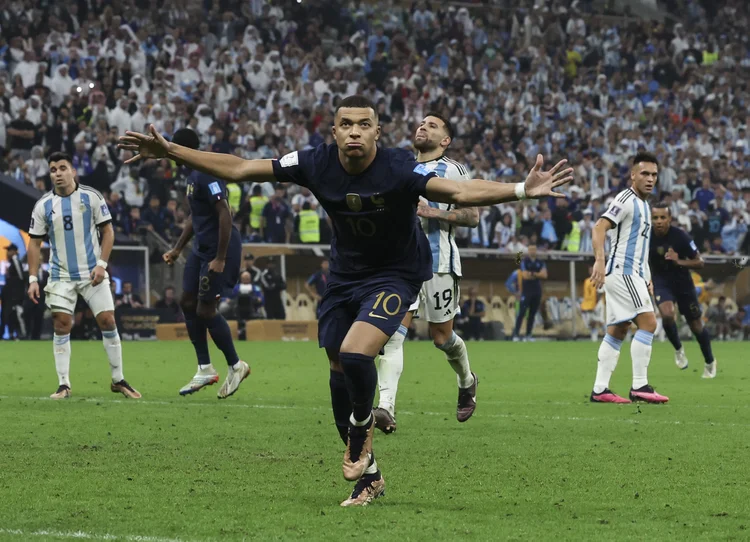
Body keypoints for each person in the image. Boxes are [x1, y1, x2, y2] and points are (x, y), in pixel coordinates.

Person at [118, 95, 572, 507]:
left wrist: (519, 190)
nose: (354, 131)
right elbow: (240, 168)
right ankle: (369, 477)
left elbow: (458, 193)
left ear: (378, 132)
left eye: (364, 124)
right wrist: (172, 150)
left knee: (358, 355)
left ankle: (360, 432)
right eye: (346, 124)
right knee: (337, 367)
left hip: (396, 274)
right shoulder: (314, 162)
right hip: (344, 277)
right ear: (333, 132)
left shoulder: (399, 168)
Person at [374, 114, 480, 434]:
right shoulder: (401, 166)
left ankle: (467, 380)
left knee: (441, 337)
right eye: (422, 124)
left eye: (433, 126)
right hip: (401, 265)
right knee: (392, 334)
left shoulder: (453, 170)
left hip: (438, 262)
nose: (423, 127)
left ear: (445, 140)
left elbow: (473, 216)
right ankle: (386, 408)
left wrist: (434, 212)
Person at [26, 152, 141, 399]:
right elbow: (34, 244)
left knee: (108, 321)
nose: (57, 173)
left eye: (62, 168)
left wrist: (101, 264)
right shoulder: (43, 205)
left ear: (73, 171)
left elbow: (108, 232)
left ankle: (118, 379)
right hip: (61, 275)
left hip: (92, 273)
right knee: (61, 324)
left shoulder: (91, 197)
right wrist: (33, 279)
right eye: (53, 169)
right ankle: (64, 384)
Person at [160, 128, 249, 399]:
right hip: (200, 249)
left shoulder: (206, 171)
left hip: (218, 250)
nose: (170, 152)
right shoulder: (192, 175)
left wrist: (220, 257)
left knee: (206, 309)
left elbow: (225, 213)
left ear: (183, 148)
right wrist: (177, 248)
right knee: (187, 303)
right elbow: (196, 217)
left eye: (173, 146)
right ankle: (204, 368)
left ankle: (236, 365)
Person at [589, 152, 668, 404]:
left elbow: (638, 246)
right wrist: (599, 261)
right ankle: (639, 386)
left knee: (618, 329)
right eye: (644, 173)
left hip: (633, 273)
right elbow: (599, 226)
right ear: (632, 175)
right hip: (623, 272)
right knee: (648, 323)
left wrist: (647, 276)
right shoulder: (625, 198)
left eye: (654, 175)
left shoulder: (645, 206)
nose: (650, 179)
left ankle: (600, 390)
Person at [650, 202, 717, 378]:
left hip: (683, 283)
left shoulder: (680, 236)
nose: (659, 221)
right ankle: (679, 349)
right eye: (655, 217)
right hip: (661, 281)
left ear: (669, 219)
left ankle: (710, 361)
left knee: (695, 325)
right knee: (667, 314)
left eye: (663, 217)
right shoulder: (646, 237)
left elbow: (700, 262)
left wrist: (678, 261)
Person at [512, 244, 547, 341]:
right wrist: (537, 274)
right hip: (526, 292)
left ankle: (528, 335)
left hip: (537, 291)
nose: (532, 251)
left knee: (532, 314)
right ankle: (516, 334)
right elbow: (524, 276)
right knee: (522, 313)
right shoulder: (524, 262)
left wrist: (532, 273)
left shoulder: (540, 262)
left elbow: (544, 275)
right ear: (528, 250)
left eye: (534, 249)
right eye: (531, 249)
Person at [1, 243, 26, 340]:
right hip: (10, 295)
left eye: (9, 251)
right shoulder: (12, 262)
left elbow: (21, 277)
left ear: (14, 252)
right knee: (9, 315)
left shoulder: (15, 260)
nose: (7, 253)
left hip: (13, 296)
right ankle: (12, 334)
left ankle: (21, 334)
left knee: (14, 314)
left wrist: (17, 295)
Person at [580, 265, 603, 342]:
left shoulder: (599, 280)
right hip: (588, 304)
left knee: (600, 321)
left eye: (592, 269)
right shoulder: (587, 281)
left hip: (597, 304)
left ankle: (608, 337)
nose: (591, 271)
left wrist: (595, 305)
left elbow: (599, 293)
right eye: (590, 270)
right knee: (592, 322)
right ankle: (594, 338)